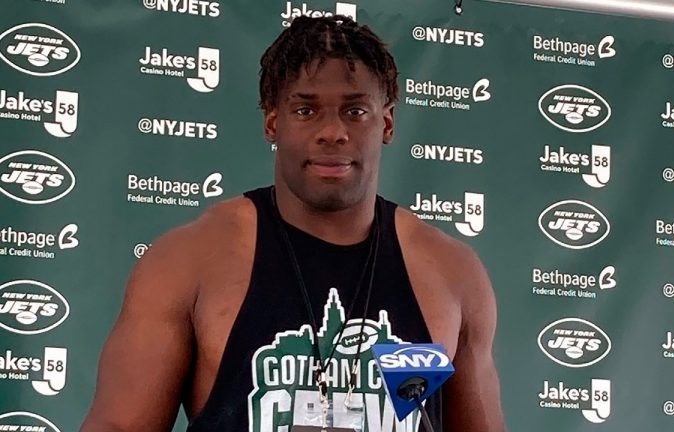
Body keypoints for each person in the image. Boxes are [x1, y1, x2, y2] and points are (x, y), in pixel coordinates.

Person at [81, 15, 505, 432]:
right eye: (306, 110)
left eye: (355, 111)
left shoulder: (452, 273)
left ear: (387, 123)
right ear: (272, 122)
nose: (332, 132)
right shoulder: (190, 260)